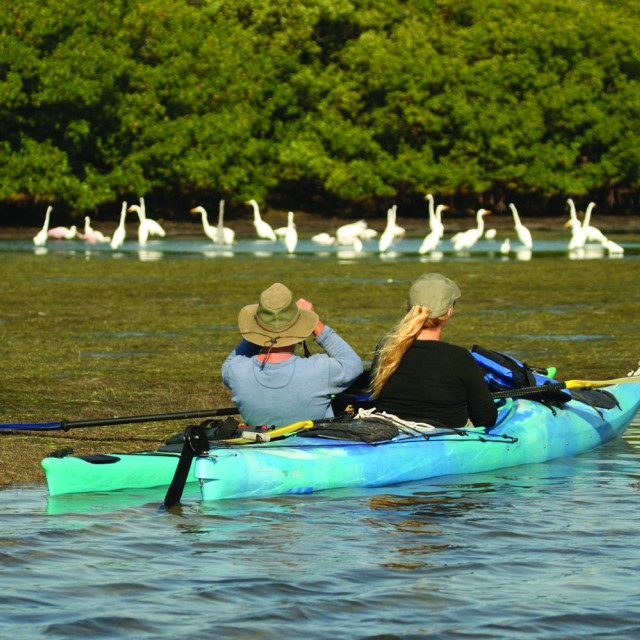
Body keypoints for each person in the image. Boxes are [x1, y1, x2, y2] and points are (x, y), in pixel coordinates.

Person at [221, 282, 363, 427]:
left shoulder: (235, 371)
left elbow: (231, 360)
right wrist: (314, 322)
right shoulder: (320, 370)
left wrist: (264, 330)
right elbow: (353, 363)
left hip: (261, 445)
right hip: (314, 446)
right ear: (299, 327)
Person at [369, 273, 497, 429]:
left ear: (407, 307)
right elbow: (486, 418)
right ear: (449, 312)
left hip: (392, 433)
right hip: (445, 439)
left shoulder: (385, 348)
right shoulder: (459, 357)